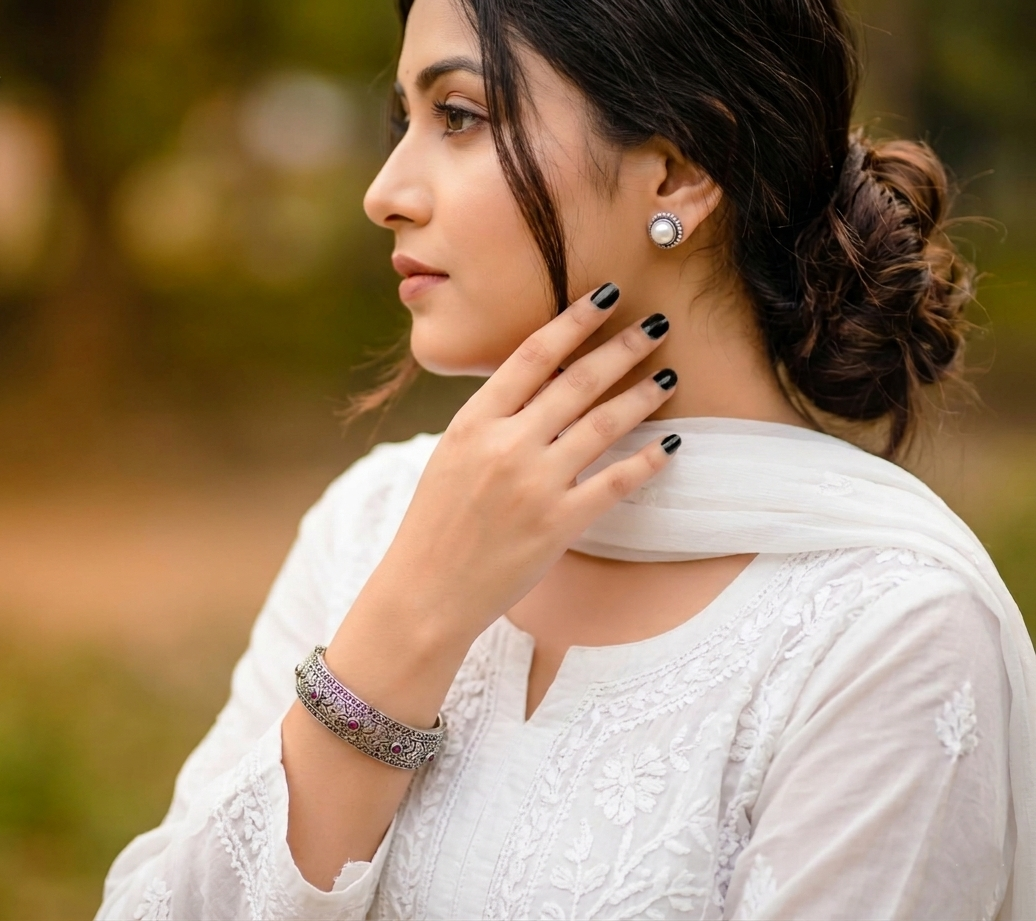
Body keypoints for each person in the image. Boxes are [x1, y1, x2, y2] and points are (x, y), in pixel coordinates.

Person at [96, 0, 1036, 918]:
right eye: (403, 120)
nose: (383, 192)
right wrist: (408, 621)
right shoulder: (376, 523)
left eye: (458, 115)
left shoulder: (888, 627)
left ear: (673, 174)